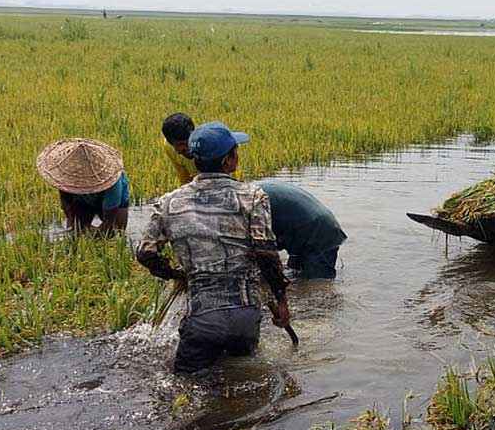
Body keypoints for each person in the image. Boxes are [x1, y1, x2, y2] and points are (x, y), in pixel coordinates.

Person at [135, 122, 291, 373]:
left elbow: (145, 253)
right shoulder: (253, 197)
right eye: (235, 151)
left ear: (195, 161)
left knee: (186, 388)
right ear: (229, 161)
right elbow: (266, 255)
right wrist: (281, 302)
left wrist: (176, 274)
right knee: (244, 379)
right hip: (245, 317)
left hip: (202, 319)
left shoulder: (168, 202)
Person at [35, 138, 130, 236]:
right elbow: (66, 205)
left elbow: (109, 220)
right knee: (76, 232)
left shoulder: (113, 182)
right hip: (81, 198)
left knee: (116, 232)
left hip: (110, 199)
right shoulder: (66, 177)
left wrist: (99, 232)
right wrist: (78, 226)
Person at [258, 182, 347, 279]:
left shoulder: (251, 201)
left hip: (317, 232)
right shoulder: (254, 193)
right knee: (295, 271)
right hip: (305, 227)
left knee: (317, 283)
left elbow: (262, 249)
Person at [161, 112, 241, 186]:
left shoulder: (206, 145)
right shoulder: (168, 148)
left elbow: (229, 172)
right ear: (171, 143)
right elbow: (183, 176)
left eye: (187, 142)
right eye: (179, 144)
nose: (186, 148)